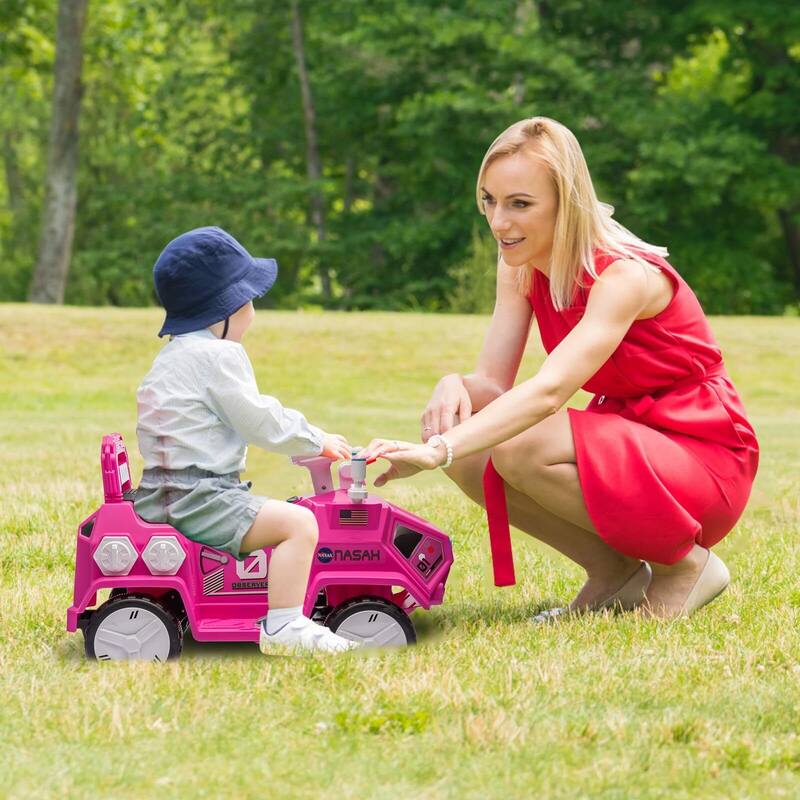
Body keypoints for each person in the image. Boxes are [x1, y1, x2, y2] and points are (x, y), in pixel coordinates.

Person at [358, 117, 759, 620]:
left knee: (515, 444)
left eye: (520, 204)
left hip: (702, 452)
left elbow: (549, 392)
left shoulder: (624, 276)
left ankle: (686, 565)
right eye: (489, 201)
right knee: (470, 449)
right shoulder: (519, 264)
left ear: (566, 203)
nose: (498, 222)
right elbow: (492, 385)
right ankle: (615, 573)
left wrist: (436, 450)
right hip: (629, 441)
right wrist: (453, 387)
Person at [134, 226, 359, 653]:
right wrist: (315, 440)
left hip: (163, 490)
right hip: (199, 496)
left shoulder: (173, 356)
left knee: (276, 512)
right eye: (247, 300)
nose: (252, 311)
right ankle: (286, 625)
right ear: (222, 309)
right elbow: (259, 420)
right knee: (299, 523)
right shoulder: (219, 356)